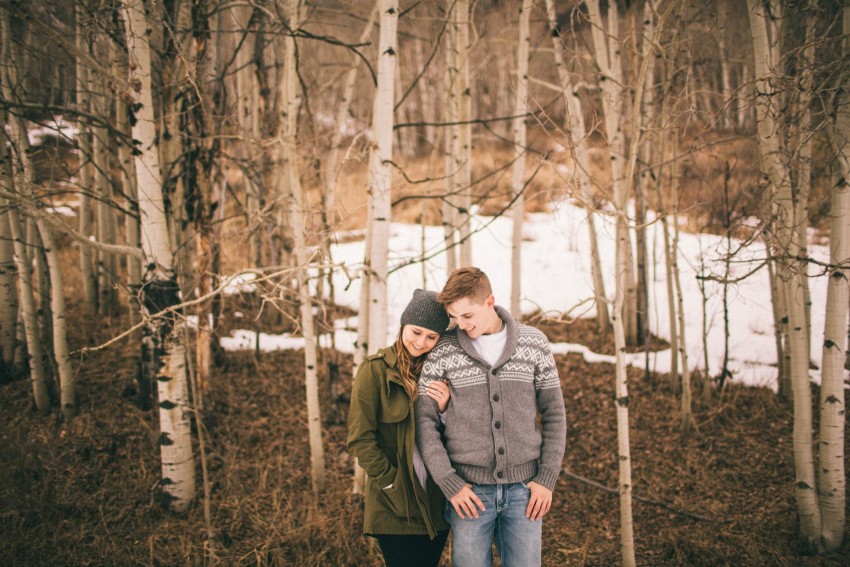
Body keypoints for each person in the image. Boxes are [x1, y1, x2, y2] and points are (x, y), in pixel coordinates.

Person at [415, 267, 567, 567]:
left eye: (467, 316)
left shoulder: (534, 344)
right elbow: (425, 423)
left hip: (525, 492)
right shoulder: (443, 349)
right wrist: (449, 482)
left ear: (489, 301)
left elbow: (555, 415)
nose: (461, 325)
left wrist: (546, 478)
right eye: (454, 317)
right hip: (469, 494)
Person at [347, 289, 453, 567]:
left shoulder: (443, 374)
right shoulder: (374, 371)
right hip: (394, 502)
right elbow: (360, 439)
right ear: (403, 325)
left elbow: (457, 437)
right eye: (416, 332)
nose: (421, 342)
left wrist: (444, 411)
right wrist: (390, 482)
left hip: (435, 499)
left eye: (432, 337)